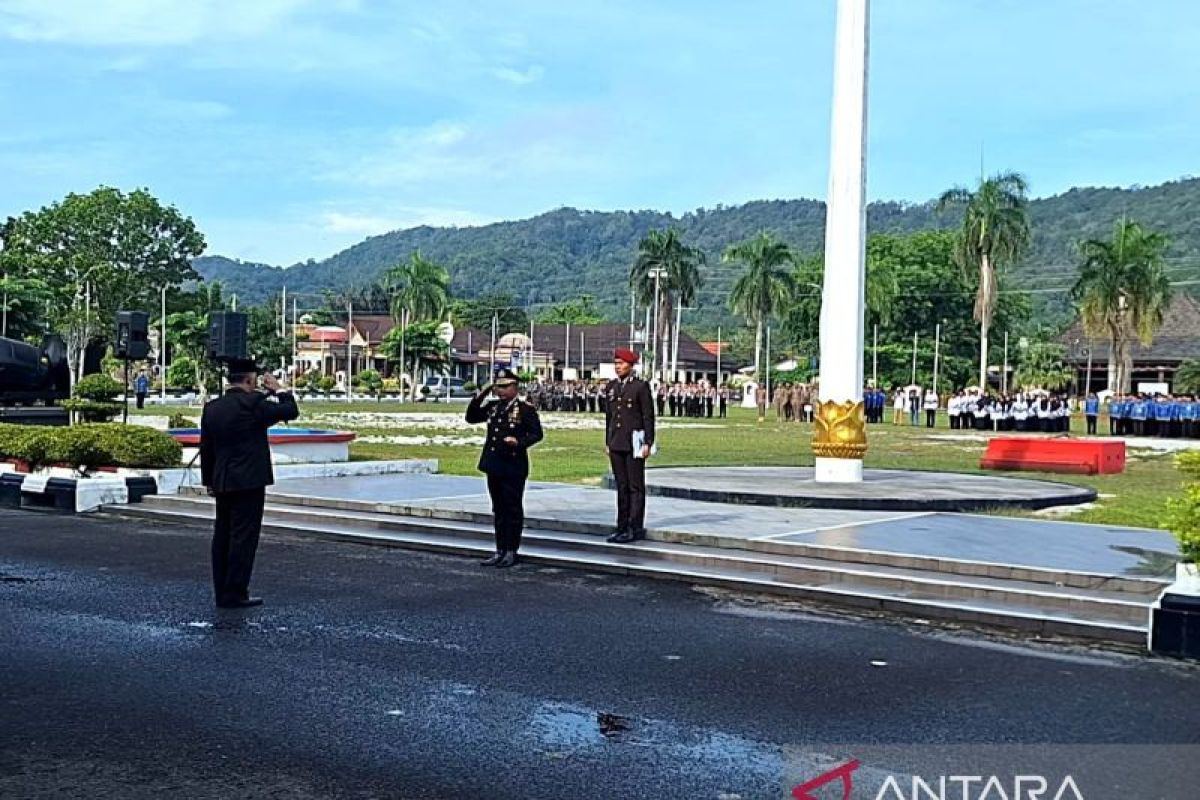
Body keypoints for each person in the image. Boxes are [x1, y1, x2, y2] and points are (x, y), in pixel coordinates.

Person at [200, 359, 299, 609]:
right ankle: (236, 592)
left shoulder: (212, 408)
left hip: (222, 480)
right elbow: (290, 410)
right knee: (243, 538)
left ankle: (221, 591)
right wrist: (280, 390)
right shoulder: (254, 405)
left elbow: (206, 449)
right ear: (249, 380)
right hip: (249, 482)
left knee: (222, 536)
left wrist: (208, 480)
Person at [465, 369, 543, 568]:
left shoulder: (525, 409)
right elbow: (472, 417)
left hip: (513, 464)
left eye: (504, 387)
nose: (500, 391)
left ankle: (511, 550)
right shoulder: (493, 407)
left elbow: (536, 434)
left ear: (515, 387)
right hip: (495, 464)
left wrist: (518, 442)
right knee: (498, 509)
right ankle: (499, 549)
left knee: (512, 509)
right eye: (498, 387)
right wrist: (483, 393)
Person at [604, 348, 655, 544]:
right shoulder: (611, 387)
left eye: (622, 363)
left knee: (635, 487)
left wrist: (648, 442)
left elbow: (647, 416)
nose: (618, 367)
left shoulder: (640, 387)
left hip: (634, 443)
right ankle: (621, 525)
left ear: (631, 365)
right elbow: (610, 418)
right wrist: (608, 441)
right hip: (617, 442)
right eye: (616, 363)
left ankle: (635, 527)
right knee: (621, 487)